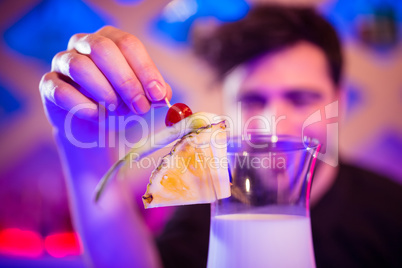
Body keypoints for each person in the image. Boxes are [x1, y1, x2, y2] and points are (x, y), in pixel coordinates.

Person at [39, 4, 402, 268]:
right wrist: (82, 145)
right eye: (252, 100)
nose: (269, 124)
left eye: (300, 98)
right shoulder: (206, 208)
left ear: (337, 101)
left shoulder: (390, 210)